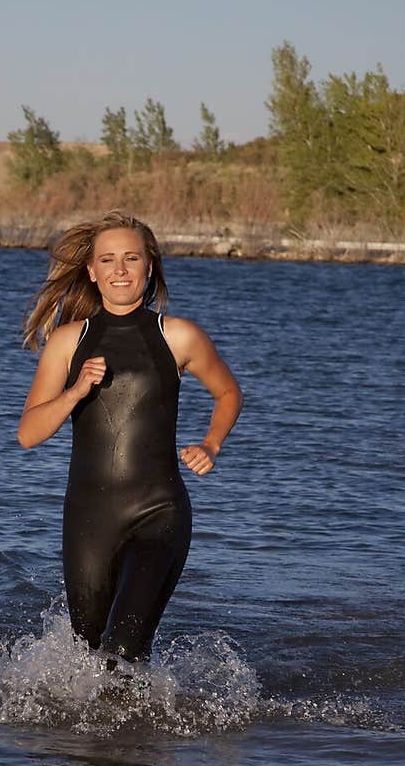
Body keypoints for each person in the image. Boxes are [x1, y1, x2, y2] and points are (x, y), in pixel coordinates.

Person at [17, 210, 243, 667]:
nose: (120, 269)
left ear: (149, 266)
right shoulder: (67, 341)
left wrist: (211, 444)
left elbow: (228, 392)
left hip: (159, 511)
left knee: (122, 647)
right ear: (92, 272)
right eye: (108, 260)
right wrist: (77, 390)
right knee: (90, 657)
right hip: (88, 519)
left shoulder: (178, 336)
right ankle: (125, 736)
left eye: (131, 258)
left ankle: (140, 731)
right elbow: (28, 434)